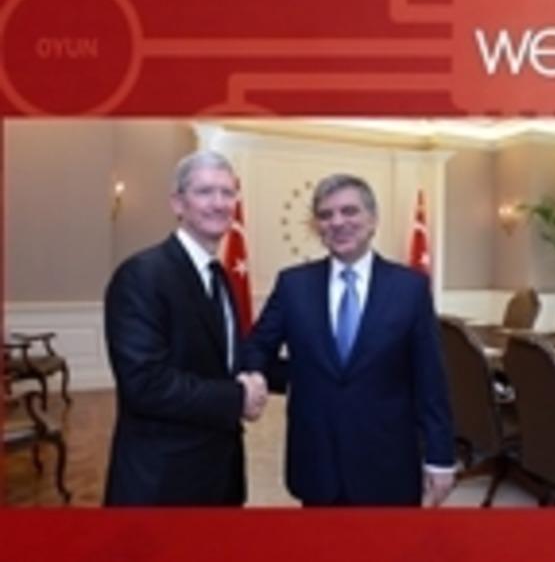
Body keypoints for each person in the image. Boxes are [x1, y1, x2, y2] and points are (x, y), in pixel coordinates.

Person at [242, 173, 455, 506]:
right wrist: (268, 375)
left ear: (373, 220)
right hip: (317, 459)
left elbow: (430, 379)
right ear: (318, 226)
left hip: (389, 462)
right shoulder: (293, 285)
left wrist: (440, 457)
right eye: (326, 215)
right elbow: (257, 347)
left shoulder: (409, 288)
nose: (338, 222)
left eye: (349, 211)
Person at [103, 150, 268, 506]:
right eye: (205, 192)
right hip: (163, 482)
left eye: (227, 192)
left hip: (220, 477)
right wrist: (238, 397)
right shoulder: (142, 275)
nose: (219, 203)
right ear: (178, 204)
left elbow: (226, 358)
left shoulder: (219, 276)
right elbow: (145, 384)